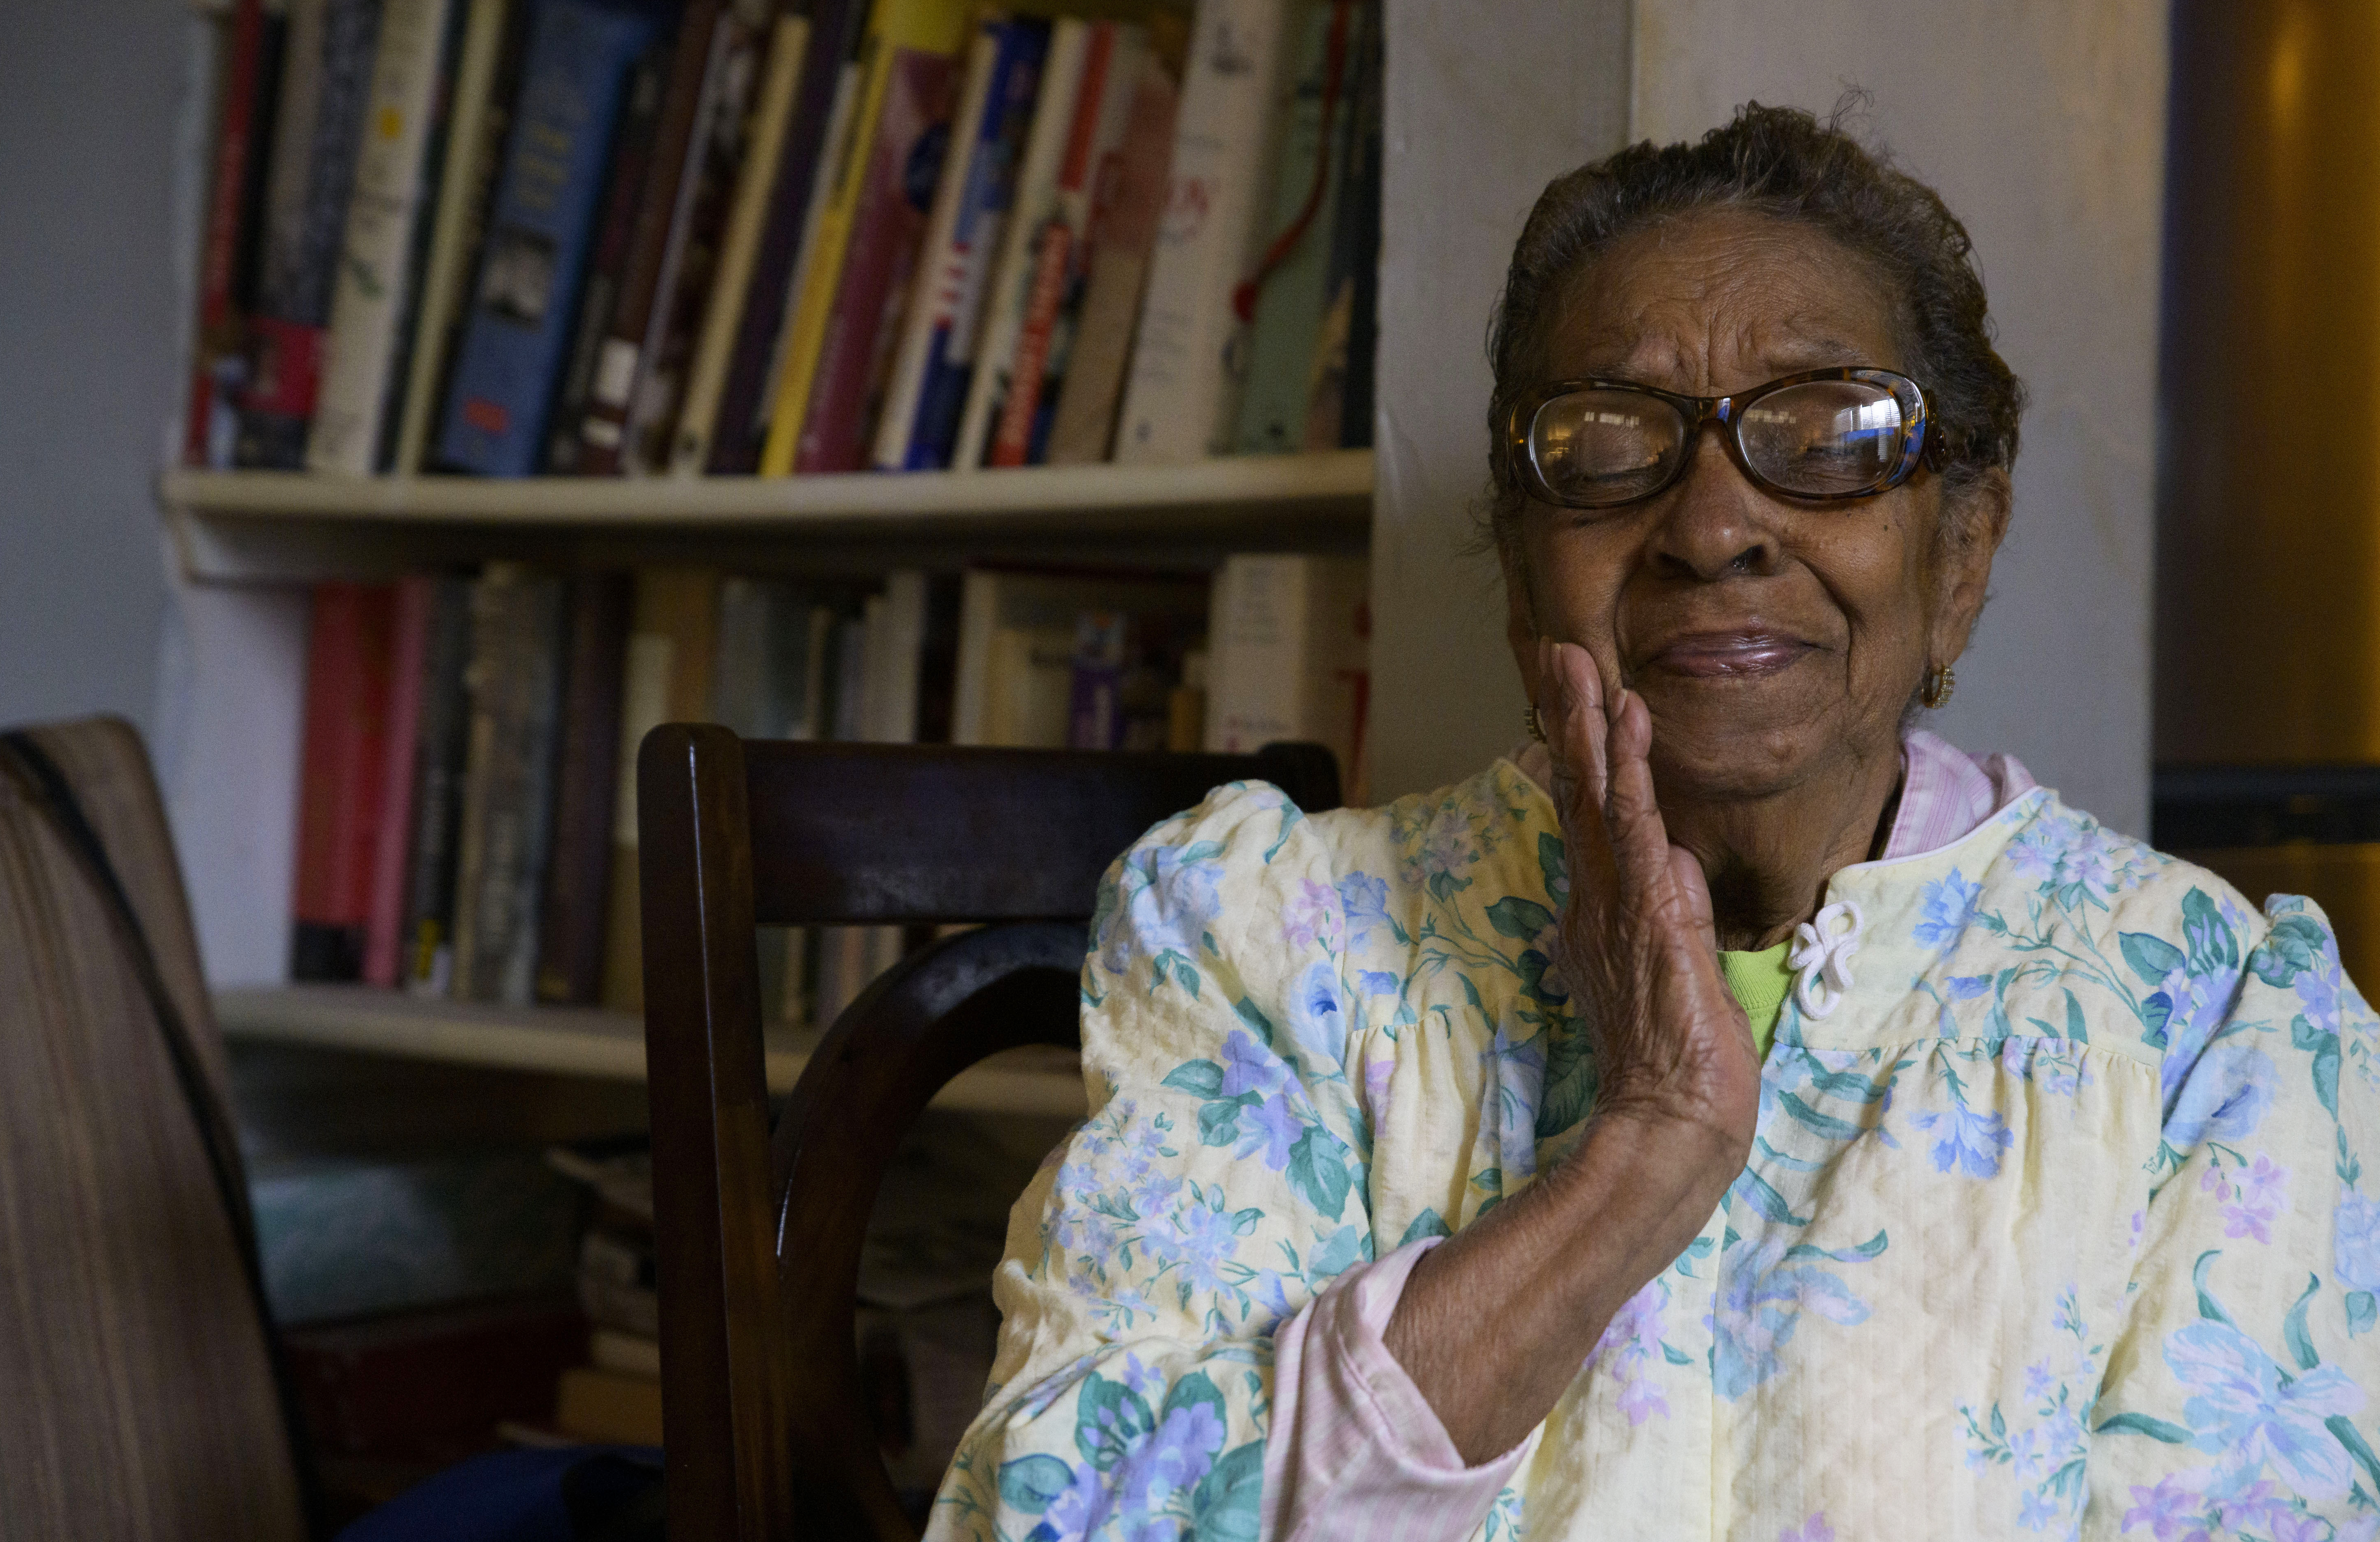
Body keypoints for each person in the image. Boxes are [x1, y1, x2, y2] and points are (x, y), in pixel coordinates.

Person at [924, 107, 2380, 1540]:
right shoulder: (1267, 940)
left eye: (1830, 435)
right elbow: (1058, 1520)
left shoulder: (2215, 1023)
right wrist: (1643, 1155)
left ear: (1960, 555)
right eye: (1610, 447)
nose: (1713, 528)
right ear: (1522, 576)